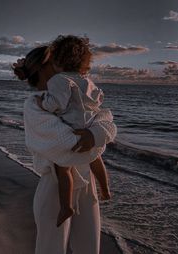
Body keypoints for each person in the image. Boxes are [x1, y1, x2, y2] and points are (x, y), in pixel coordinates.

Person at [12, 36, 117, 254]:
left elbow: (106, 119)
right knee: (51, 248)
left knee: (89, 248)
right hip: (56, 186)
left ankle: (103, 189)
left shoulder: (70, 91)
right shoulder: (35, 104)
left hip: (87, 184)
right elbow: (70, 145)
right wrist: (95, 136)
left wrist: (97, 133)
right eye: (56, 63)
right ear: (44, 68)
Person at [33, 35, 112, 228]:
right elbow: (98, 100)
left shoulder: (60, 80)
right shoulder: (88, 81)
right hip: (89, 129)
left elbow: (56, 103)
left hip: (73, 133)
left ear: (57, 61)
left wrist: (42, 102)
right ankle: (105, 188)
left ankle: (66, 206)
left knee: (63, 170)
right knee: (96, 158)